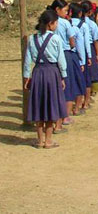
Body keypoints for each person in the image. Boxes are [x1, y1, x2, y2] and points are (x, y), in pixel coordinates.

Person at [24, 10, 68, 149]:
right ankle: (48, 141)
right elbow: (61, 60)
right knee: (51, 105)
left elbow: (27, 60)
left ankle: (40, 140)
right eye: (56, 23)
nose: (57, 26)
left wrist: (27, 77)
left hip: (37, 72)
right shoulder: (55, 39)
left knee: (38, 105)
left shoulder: (32, 38)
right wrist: (63, 76)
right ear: (51, 24)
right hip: (52, 73)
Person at [48, 0, 76, 132]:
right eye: (65, 10)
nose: (66, 13)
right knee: (67, 86)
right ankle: (64, 117)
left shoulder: (46, 23)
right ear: (57, 10)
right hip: (64, 55)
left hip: (49, 59)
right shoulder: (64, 23)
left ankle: (53, 117)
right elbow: (72, 41)